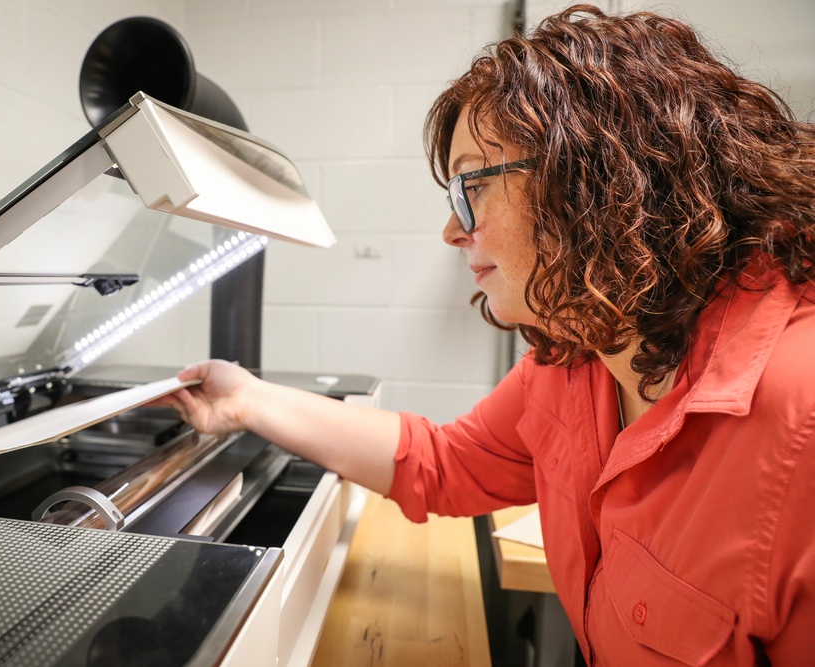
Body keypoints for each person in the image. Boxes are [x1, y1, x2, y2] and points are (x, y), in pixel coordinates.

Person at [154, 4, 815, 665]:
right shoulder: (577, 352)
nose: (451, 230)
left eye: (472, 187)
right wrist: (247, 400)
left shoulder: (798, 416)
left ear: (594, 179)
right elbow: (443, 462)